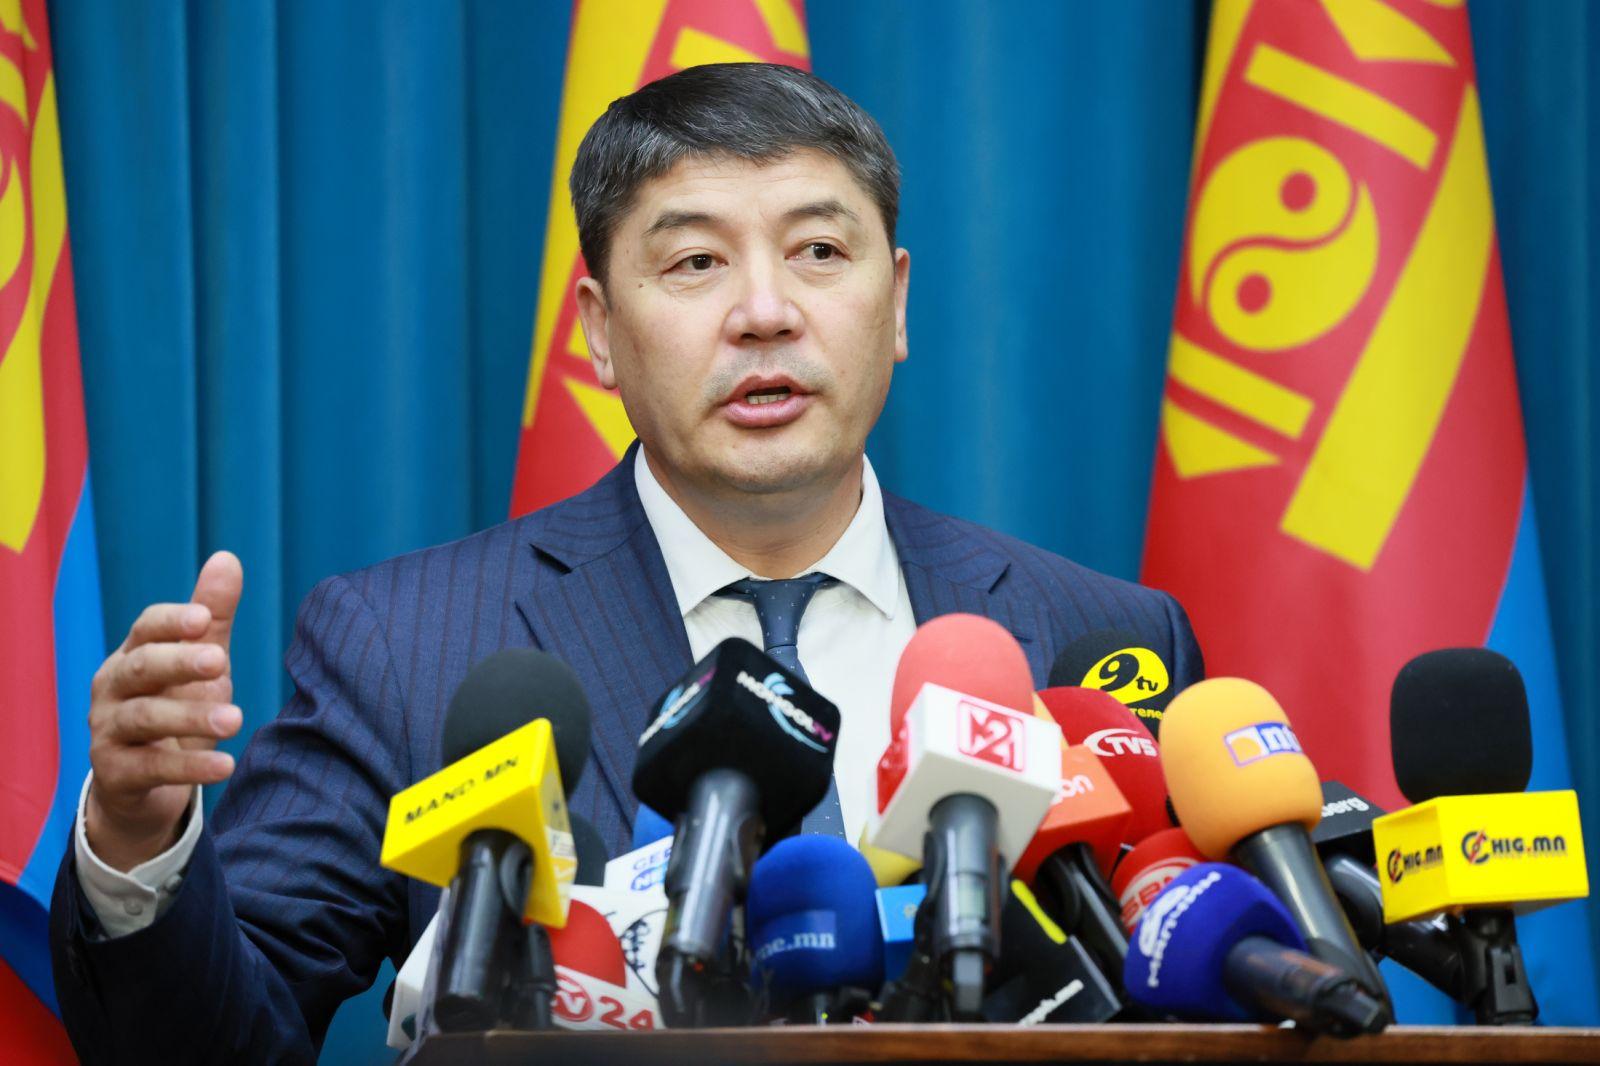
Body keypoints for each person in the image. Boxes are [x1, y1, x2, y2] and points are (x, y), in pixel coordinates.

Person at [50, 63, 1202, 1061]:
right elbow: (220, 1043)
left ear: (895, 301)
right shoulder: (404, 644)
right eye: (696, 262)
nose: (765, 312)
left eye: (817, 251)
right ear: (599, 329)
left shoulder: (1098, 639)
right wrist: (138, 837)